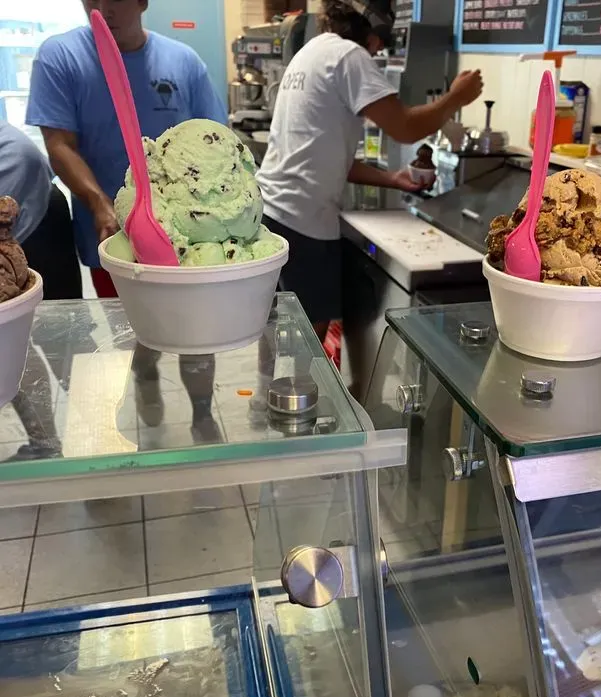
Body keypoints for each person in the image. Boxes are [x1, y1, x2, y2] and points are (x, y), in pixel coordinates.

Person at [26, 0, 228, 443]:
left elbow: (214, 139)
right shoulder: (62, 56)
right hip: (112, 235)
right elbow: (59, 144)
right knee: (139, 329)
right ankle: (146, 374)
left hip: (189, 234)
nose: (102, 8)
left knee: (197, 330)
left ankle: (201, 413)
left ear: (142, 1)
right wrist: (101, 204)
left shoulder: (183, 62)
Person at [257, 0, 483, 342]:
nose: (378, 50)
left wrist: (392, 179)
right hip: (303, 218)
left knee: (275, 326)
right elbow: (405, 127)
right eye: (380, 42)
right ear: (373, 33)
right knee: (308, 334)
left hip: (274, 210)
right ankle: (299, 381)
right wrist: (455, 98)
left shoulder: (311, 52)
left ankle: (271, 378)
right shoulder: (349, 55)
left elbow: (326, 156)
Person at [0, 121, 85, 460]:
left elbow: (25, 156)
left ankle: (100, 432)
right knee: (12, 341)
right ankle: (45, 444)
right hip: (24, 192)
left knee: (61, 335)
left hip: (32, 205)